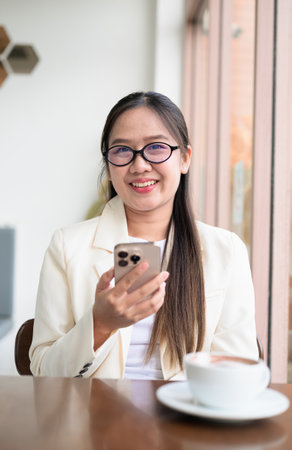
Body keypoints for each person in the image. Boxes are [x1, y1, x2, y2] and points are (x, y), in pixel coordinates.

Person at [29, 91, 258, 379]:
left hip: (187, 417)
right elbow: (42, 372)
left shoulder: (225, 251)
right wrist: (99, 324)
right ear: (109, 168)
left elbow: (236, 370)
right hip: (94, 419)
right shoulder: (67, 246)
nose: (139, 165)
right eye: (123, 150)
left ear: (185, 159)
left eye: (157, 147)